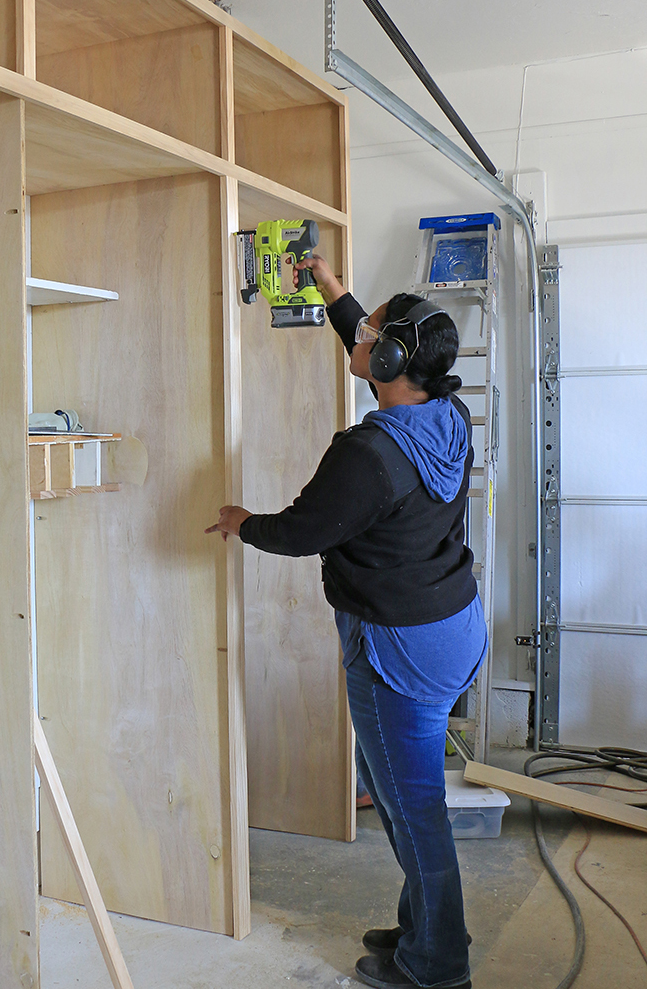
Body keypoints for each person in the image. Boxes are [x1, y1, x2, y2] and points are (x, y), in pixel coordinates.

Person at [206, 254, 486, 989]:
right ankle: (424, 925)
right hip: (452, 624)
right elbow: (369, 346)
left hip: (400, 645)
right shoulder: (445, 416)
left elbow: (303, 531)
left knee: (411, 806)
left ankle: (436, 963)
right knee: (403, 794)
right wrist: (330, 289)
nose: (358, 333)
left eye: (372, 333)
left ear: (391, 359)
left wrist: (242, 521)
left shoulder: (368, 453)